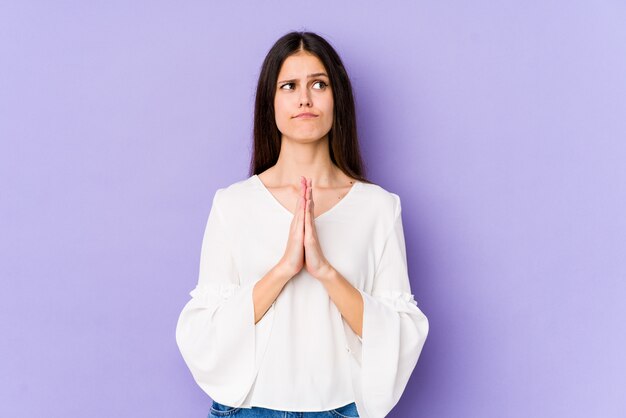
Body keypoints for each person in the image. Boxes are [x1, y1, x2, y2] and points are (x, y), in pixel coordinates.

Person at [175, 30, 429, 418]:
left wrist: (325, 271)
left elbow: (398, 334)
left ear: (336, 98)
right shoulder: (233, 204)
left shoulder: (378, 208)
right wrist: (283, 270)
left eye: (319, 84)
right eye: (289, 85)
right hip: (248, 409)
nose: (305, 98)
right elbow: (205, 334)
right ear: (270, 103)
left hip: (339, 408)